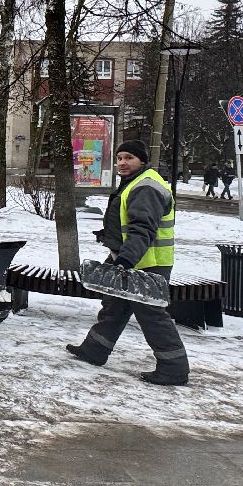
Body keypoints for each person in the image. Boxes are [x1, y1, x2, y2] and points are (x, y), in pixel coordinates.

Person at [67, 139, 189, 386]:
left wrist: (125, 260)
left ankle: (174, 368)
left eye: (129, 158)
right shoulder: (135, 183)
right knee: (115, 305)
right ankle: (94, 350)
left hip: (146, 262)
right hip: (132, 258)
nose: (122, 162)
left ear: (142, 161)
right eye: (120, 158)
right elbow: (127, 221)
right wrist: (110, 237)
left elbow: (142, 228)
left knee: (151, 314)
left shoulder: (146, 187)